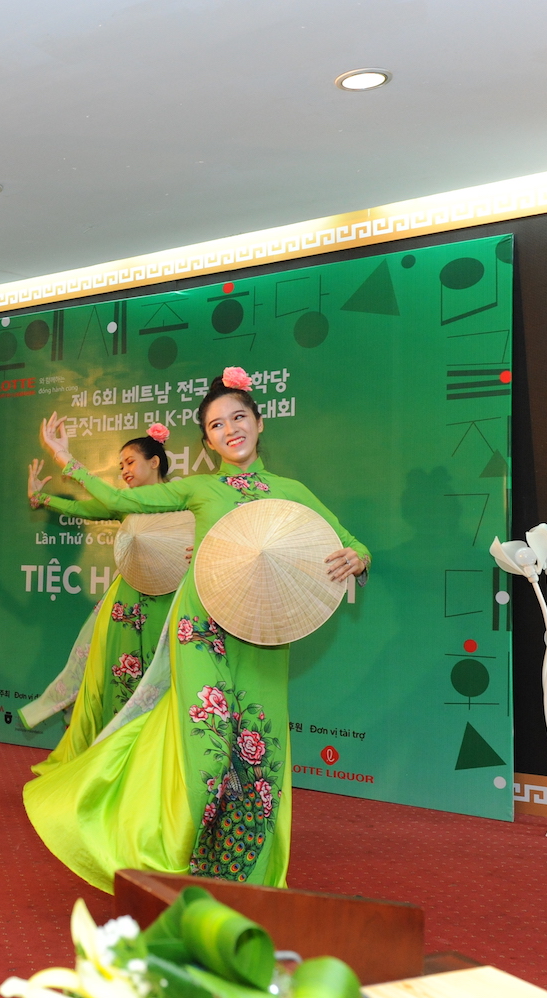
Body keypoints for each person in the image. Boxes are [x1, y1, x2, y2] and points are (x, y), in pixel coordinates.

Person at [23, 367, 369, 891]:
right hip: (202, 627)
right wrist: (66, 459)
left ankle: (247, 874)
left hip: (263, 631)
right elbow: (121, 503)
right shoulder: (199, 488)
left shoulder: (290, 491)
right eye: (216, 425)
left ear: (259, 422)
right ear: (207, 441)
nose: (230, 429)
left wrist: (357, 557)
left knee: (259, 745)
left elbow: (350, 541)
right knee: (207, 745)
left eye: (238, 417)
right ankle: (178, 858)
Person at [20, 427, 185, 778]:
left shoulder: (183, 497)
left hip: (171, 602)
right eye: (120, 465)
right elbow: (81, 507)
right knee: (122, 676)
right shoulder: (124, 503)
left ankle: (157, 762)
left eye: (130, 462)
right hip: (128, 602)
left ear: (154, 462)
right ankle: (113, 757)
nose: (124, 470)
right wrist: (41, 498)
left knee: (165, 678)